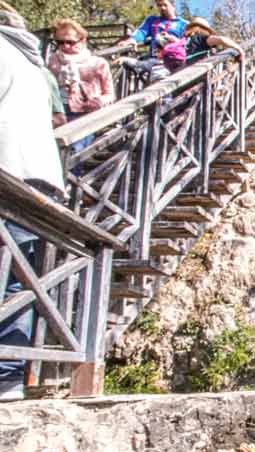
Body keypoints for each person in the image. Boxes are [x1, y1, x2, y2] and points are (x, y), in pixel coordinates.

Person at [0, 1, 66, 401]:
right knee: (20, 278)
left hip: (7, 168)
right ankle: (8, 374)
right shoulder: (37, 69)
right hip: (40, 176)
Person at [47, 19, 115, 122]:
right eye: (60, 42)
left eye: (70, 42)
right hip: (58, 112)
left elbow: (110, 94)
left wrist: (98, 101)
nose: (65, 46)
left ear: (82, 40)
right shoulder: (53, 59)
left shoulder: (98, 63)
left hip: (87, 114)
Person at [116, 0, 187, 82]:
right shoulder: (152, 20)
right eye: (159, 5)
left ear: (173, 5)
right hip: (154, 59)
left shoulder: (183, 24)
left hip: (174, 61)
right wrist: (132, 39)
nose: (162, 8)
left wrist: (172, 39)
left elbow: (187, 43)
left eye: (165, 5)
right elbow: (141, 32)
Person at [159, 17, 244, 73]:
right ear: (204, 29)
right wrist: (238, 48)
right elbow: (221, 39)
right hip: (195, 77)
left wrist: (168, 36)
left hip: (179, 74)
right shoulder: (202, 38)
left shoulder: (184, 40)